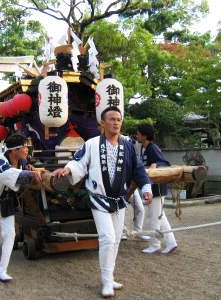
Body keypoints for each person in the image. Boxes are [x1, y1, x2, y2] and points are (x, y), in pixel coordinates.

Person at [52, 107, 152, 298]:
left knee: (115, 241)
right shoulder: (91, 144)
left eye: (118, 119)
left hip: (119, 201)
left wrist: (146, 188)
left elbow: (138, 170)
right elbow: (78, 163)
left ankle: (110, 276)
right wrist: (67, 170)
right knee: (107, 238)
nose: (116, 123)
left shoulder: (128, 145)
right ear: (102, 123)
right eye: (112, 119)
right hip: (98, 199)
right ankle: (106, 281)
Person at [0, 134, 41, 280]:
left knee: (10, 234)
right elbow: (7, 174)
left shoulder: (22, 162)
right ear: (14, 150)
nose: (26, 150)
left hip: (6, 202)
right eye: (24, 147)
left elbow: (25, 171)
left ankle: (2, 270)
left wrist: (30, 169)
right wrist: (29, 173)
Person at [136, 124, 177, 255]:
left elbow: (165, 163)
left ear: (144, 135)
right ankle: (171, 242)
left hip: (157, 188)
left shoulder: (152, 148)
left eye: (138, 133)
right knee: (160, 217)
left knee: (153, 217)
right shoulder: (144, 148)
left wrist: (156, 164)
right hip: (150, 187)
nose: (136, 136)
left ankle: (155, 245)